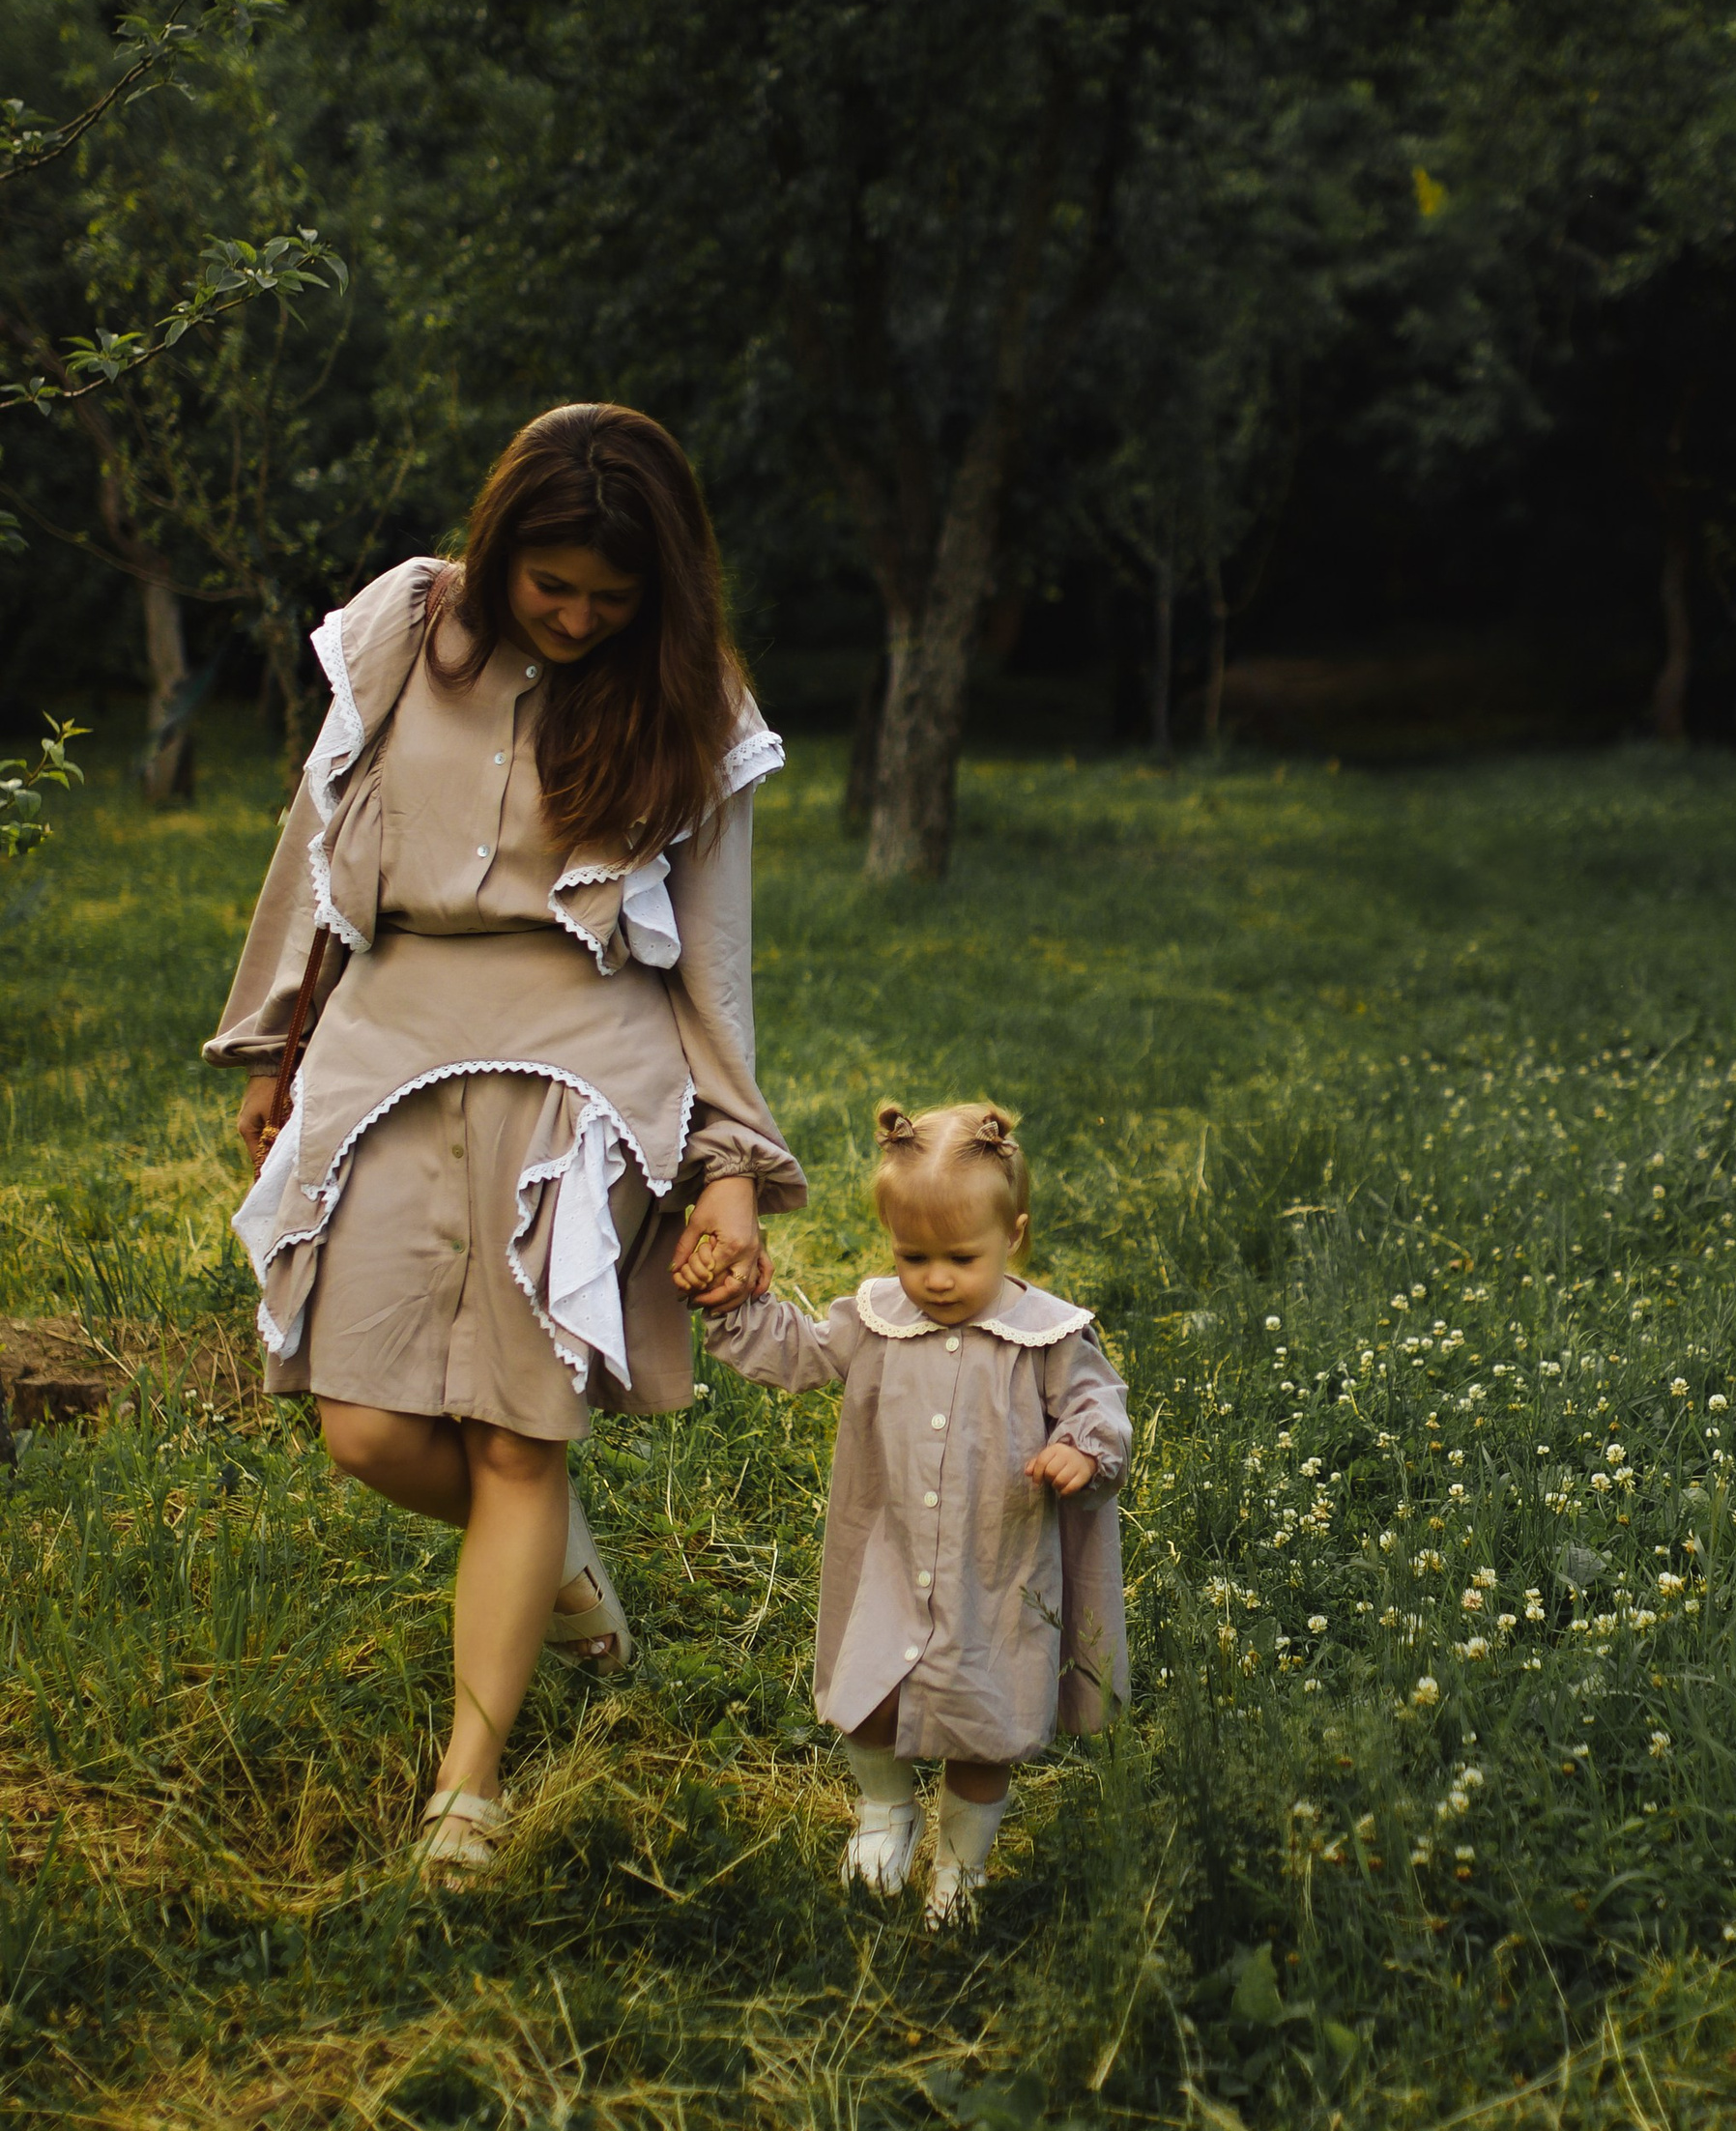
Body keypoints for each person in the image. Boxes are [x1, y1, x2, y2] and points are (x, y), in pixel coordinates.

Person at [208, 403, 805, 1876]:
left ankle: (466, 1787)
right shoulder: (408, 630)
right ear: (499, 547)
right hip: (387, 1043)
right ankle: (554, 1573)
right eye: (555, 585)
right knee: (365, 1424)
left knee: (516, 1432)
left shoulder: (689, 700)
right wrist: (283, 1041)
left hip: (581, 1070)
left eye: (615, 597)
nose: (583, 617)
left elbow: (712, 963)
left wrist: (725, 1166)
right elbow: (321, 840)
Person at [698, 1103, 1129, 1926]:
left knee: (981, 1725)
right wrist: (733, 1309)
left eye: (961, 1257)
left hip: (992, 1573)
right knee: (871, 1694)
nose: (934, 1278)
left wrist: (1083, 1446)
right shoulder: (876, 1320)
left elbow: (1097, 1404)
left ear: (1016, 1236)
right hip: (890, 1554)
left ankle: (961, 1870)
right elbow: (796, 1351)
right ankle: (884, 1810)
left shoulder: (1047, 1337)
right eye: (912, 1255)